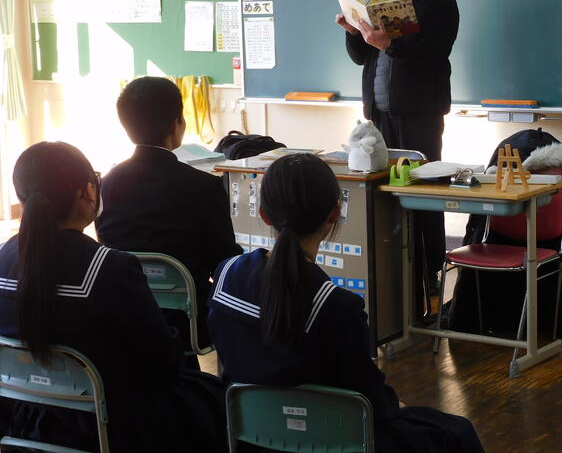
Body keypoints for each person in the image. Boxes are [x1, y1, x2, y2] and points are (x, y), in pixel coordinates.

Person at [208, 154, 485, 453]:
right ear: (334, 213)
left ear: (263, 214)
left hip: (251, 439)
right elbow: (369, 402)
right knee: (456, 431)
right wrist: (395, 405)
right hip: (333, 443)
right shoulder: (337, 306)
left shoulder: (225, 277)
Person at [0, 141, 225, 452]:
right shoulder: (109, 268)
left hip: (26, 421)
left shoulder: (4, 259)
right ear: (87, 192)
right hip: (106, 426)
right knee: (211, 395)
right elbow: (163, 361)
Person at [335, 0, 459, 295]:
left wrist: (390, 44)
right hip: (379, 116)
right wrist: (353, 32)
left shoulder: (440, 2)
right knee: (383, 194)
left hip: (419, 114)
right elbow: (363, 56)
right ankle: (392, 271)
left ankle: (428, 273)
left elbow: (434, 52)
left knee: (424, 192)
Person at [95, 76, 241, 349]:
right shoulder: (203, 186)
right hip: (189, 321)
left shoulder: (107, 184)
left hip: (125, 310)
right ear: (177, 123)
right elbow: (223, 262)